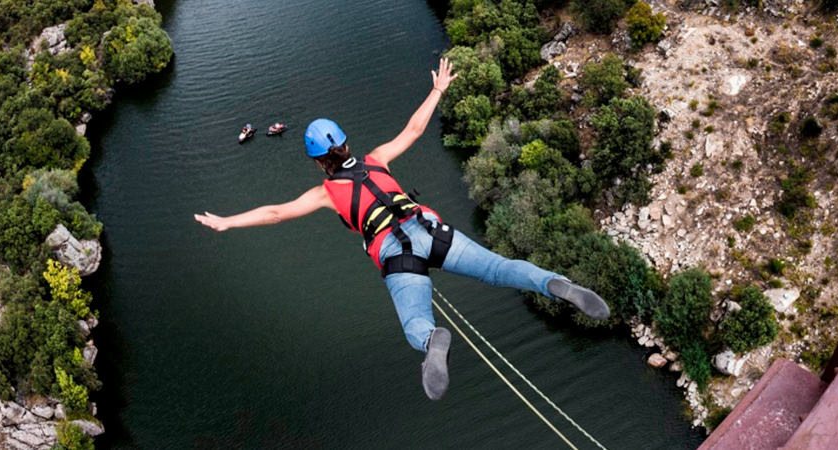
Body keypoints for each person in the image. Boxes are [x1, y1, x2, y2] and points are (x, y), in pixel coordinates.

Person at [195, 58, 609, 401]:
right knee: (501, 268)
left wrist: (228, 221)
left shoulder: (326, 192)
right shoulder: (377, 159)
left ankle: (433, 342)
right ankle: (556, 283)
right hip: (432, 229)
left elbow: (275, 213)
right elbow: (413, 130)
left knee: (416, 323)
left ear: (320, 161)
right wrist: (438, 91)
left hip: (398, 254)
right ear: (346, 144)